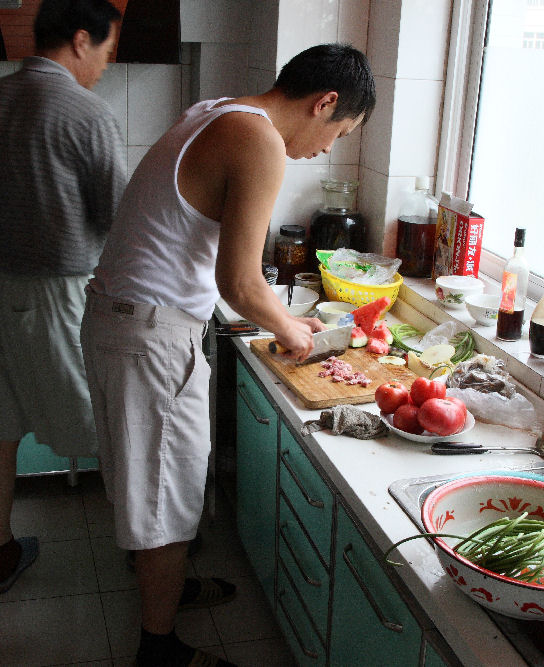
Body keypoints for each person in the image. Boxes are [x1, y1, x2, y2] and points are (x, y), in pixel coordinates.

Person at [83, 43, 376, 667]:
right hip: (150, 337)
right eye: (338, 132)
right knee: (165, 496)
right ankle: (157, 651)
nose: (326, 150)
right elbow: (239, 284)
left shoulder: (217, 110)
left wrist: (281, 315)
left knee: (150, 483)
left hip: (123, 322)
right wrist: (294, 330)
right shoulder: (260, 140)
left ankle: (167, 587)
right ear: (323, 103)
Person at [0, 0, 127, 594]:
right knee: (109, 429)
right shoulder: (86, 112)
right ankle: (146, 552)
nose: (105, 64)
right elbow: (119, 225)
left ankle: (0, 553)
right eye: (106, 50)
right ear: (79, 40)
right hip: (56, 296)